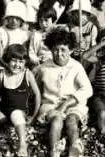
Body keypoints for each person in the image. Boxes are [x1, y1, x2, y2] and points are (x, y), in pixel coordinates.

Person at [36, 27, 93, 157]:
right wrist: (35, 112)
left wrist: (67, 104)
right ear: (50, 50)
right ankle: (54, 151)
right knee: (56, 120)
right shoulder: (44, 68)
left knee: (71, 121)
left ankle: (75, 151)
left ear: (71, 50)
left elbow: (87, 89)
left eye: (63, 50)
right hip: (50, 105)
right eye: (55, 50)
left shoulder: (76, 66)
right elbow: (37, 91)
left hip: (72, 105)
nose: (59, 53)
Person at [0, 44, 41, 157]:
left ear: (25, 63)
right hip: (4, 113)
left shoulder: (27, 74)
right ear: (7, 60)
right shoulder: (1, 75)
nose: (17, 65)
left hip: (19, 113)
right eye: (14, 61)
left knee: (16, 113)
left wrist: (34, 116)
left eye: (21, 62)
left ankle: (22, 145)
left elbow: (37, 95)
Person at [67, 0, 99, 65]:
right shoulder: (68, 28)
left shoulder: (92, 28)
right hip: (72, 59)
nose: (80, 16)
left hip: (88, 59)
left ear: (88, 15)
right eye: (77, 13)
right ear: (73, 14)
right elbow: (66, 48)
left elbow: (94, 47)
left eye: (83, 13)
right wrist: (74, 50)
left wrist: (86, 55)